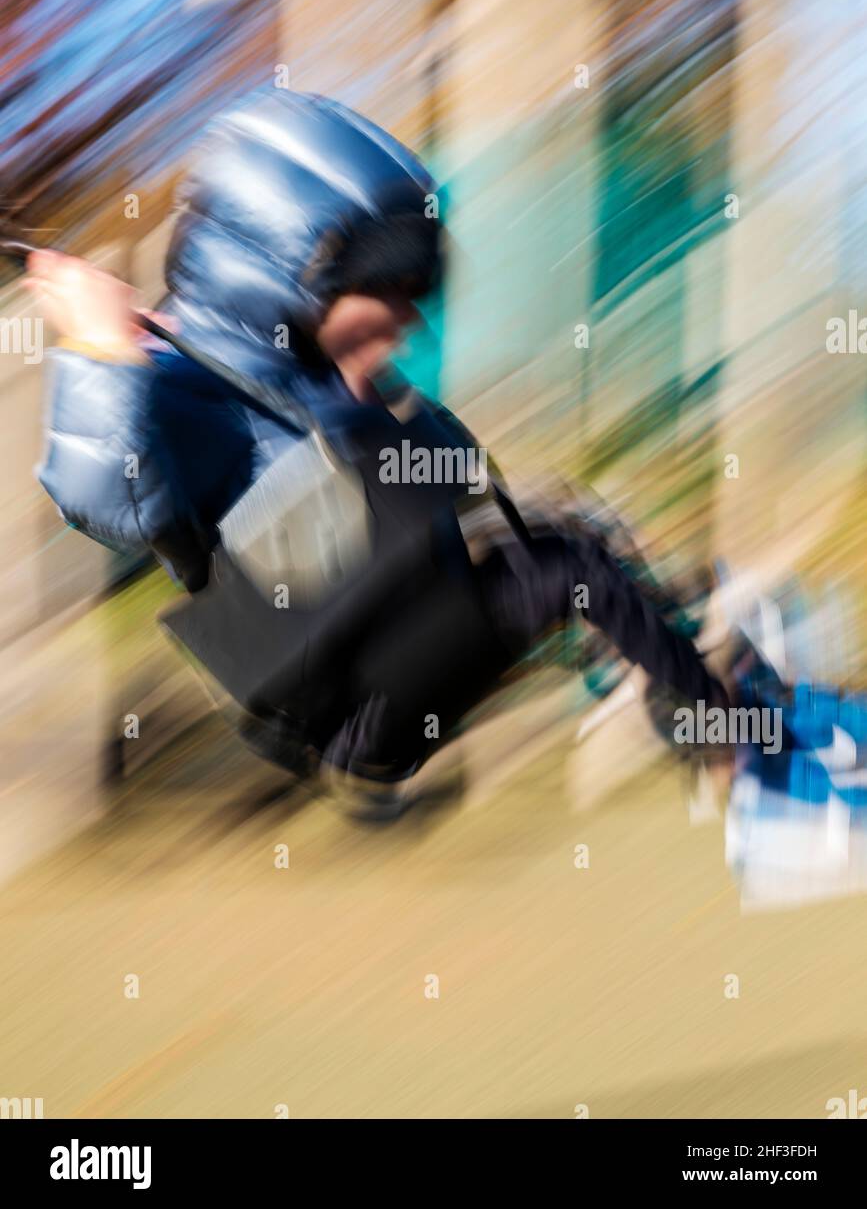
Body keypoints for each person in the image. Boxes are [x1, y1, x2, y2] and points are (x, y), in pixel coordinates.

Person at [27, 87, 727, 814]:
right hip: (345, 692)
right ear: (277, 275)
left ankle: (673, 673)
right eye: (384, 287)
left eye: (417, 287)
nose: (409, 317)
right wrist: (100, 351)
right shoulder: (177, 387)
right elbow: (106, 498)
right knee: (567, 564)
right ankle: (733, 750)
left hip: (393, 636)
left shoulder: (321, 385)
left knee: (562, 528)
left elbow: (460, 490)